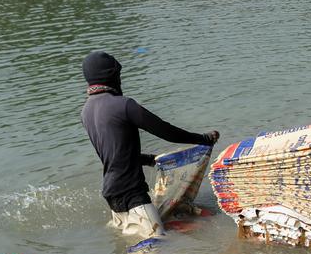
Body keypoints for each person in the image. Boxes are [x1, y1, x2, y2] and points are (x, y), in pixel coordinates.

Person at [80, 51, 219, 239]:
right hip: (132, 194)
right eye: (118, 75)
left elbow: (113, 155)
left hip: (112, 196)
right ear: (111, 76)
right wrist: (203, 138)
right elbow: (166, 132)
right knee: (156, 247)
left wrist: (150, 160)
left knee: (132, 246)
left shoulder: (86, 111)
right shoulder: (123, 105)